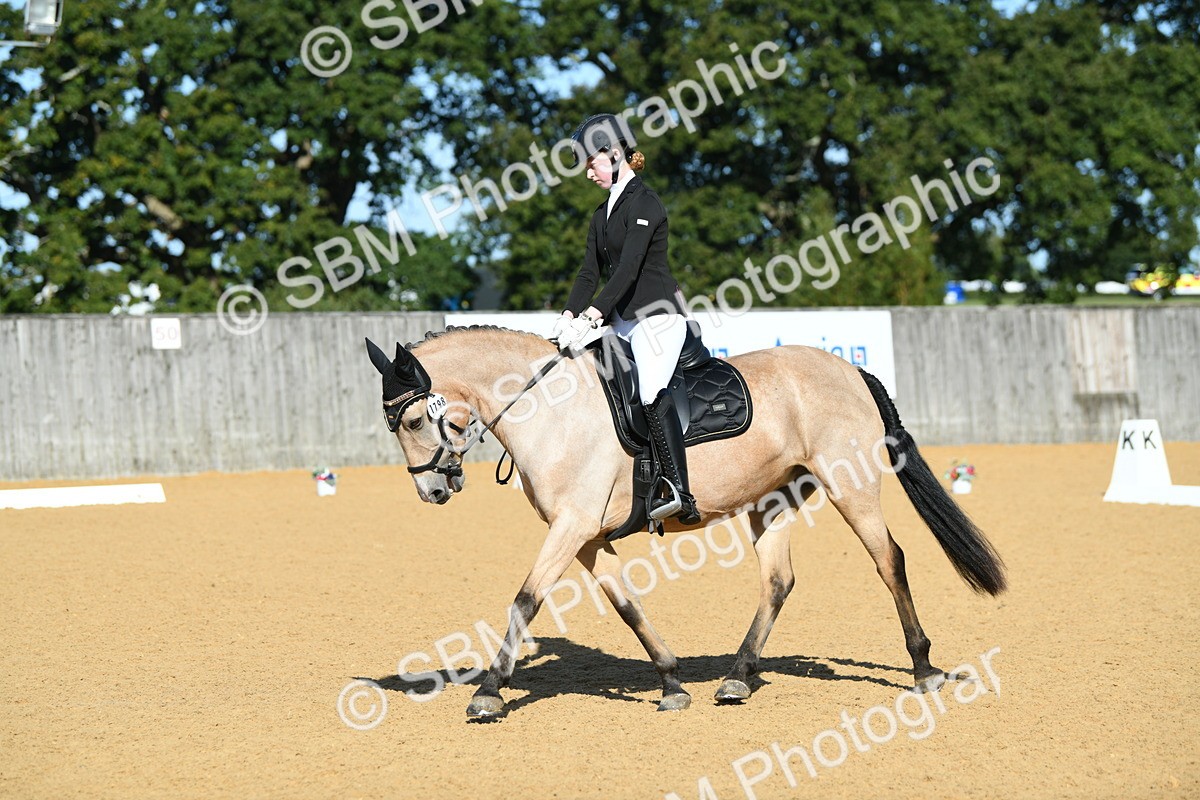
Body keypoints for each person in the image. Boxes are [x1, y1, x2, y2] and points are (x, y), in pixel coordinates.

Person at [552, 113, 700, 525]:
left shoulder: (645, 202)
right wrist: (568, 315)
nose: (587, 173)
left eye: (591, 163)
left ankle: (678, 491)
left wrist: (593, 314)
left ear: (615, 155)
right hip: (619, 322)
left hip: (657, 318)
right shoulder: (601, 215)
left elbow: (629, 268)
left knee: (650, 391)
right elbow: (589, 272)